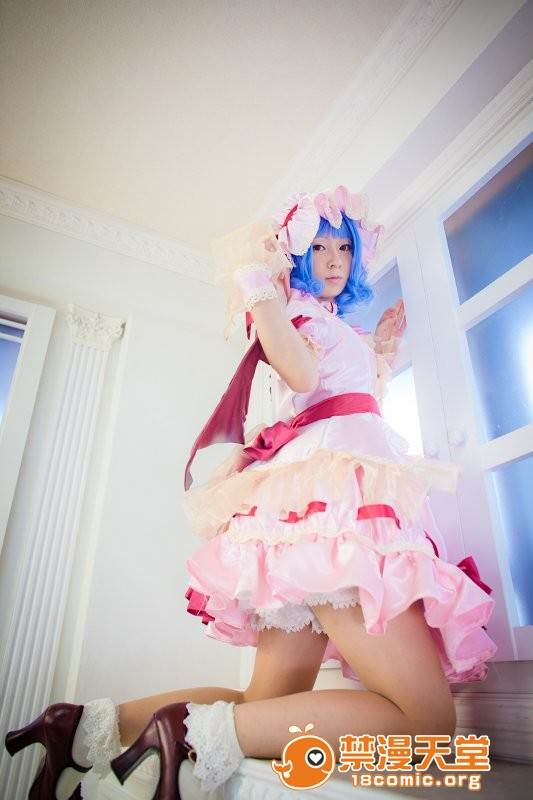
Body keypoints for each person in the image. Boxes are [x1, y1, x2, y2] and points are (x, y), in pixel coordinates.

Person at [4, 185, 497, 800]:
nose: (334, 259)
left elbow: (346, 396)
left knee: (262, 700)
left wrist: (381, 350)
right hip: (334, 511)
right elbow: (304, 377)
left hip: (325, 504)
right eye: (319, 247)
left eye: (344, 247)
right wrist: (258, 283)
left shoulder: (327, 321)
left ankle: (82, 727)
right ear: (296, 257)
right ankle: (184, 735)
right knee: (428, 726)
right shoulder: (293, 310)